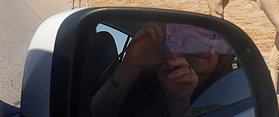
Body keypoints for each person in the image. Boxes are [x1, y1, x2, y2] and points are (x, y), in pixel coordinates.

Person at [90, 22, 234, 117]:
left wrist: (179, 103)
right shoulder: (152, 81)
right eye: (186, 34)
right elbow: (96, 114)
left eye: (210, 37)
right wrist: (129, 68)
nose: (197, 42)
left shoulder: (228, 96)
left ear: (225, 55)